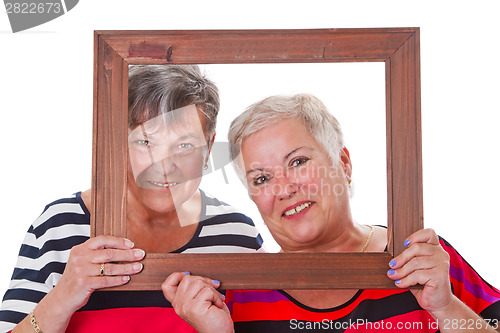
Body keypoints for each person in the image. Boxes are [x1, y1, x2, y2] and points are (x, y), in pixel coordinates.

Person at [163, 94, 500, 332]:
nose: (284, 188)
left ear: (344, 163)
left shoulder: (422, 259)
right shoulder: (239, 299)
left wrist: (446, 309)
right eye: (262, 178)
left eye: (297, 162)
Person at [0, 65, 263, 333]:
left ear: (208, 150)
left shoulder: (237, 235)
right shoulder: (59, 225)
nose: (164, 166)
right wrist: (63, 297)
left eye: (185, 146)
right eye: (146, 143)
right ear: (119, 143)